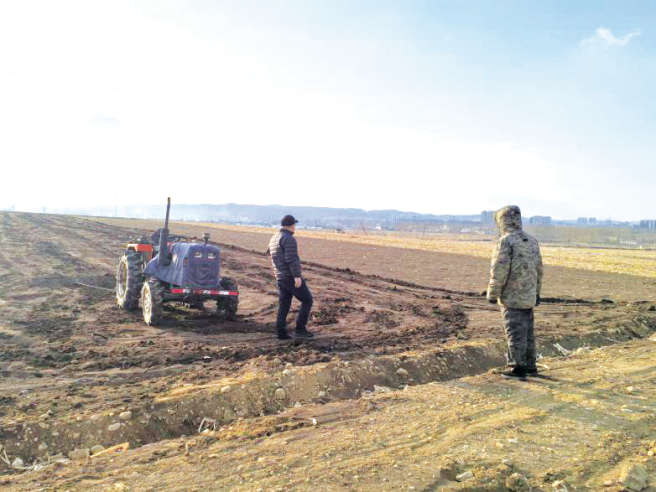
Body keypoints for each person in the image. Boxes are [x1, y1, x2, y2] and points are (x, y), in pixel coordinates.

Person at [487, 205, 543, 379]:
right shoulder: (532, 241)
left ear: (502, 221)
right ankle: (530, 366)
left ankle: (517, 368)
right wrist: (537, 293)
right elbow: (539, 270)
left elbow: (499, 270)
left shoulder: (505, 241)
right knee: (528, 334)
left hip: (512, 297)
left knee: (514, 333)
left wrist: (493, 293)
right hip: (529, 296)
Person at [267, 215, 314, 340]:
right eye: (294, 225)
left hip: (280, 277)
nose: (295, 227)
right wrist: (297, 276)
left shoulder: (274, 238)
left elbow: (271, 256)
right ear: (292, 225)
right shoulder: (288, 239)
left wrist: (278, 272)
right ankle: (300, 329)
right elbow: (291, 259)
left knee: (284, 304)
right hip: (289, 277)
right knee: (307, 300)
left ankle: (281, 332)